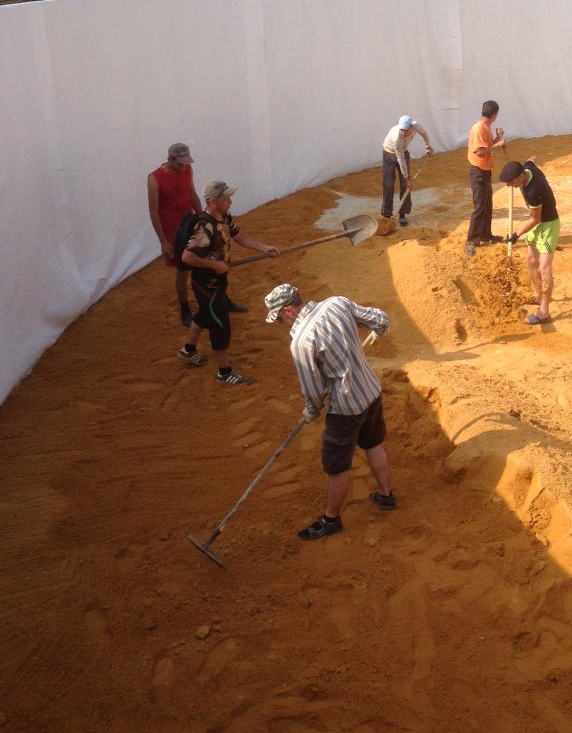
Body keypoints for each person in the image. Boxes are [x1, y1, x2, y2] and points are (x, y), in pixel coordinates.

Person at [264, 283, 395, 541]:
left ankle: (331, 519)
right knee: (373, 444)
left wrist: (311, 411)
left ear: (288, 310)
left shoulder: (302, 341)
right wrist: (379, 332)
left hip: (346, 408)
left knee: (337, 466)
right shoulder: (337, 302)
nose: (281, 324)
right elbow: (381, 319)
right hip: (370, 390)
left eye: (279, 318)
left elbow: (313, 390)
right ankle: (386, 495)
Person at [178, 180, 279, 385]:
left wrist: (263, 248)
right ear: (213, 202)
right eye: (226, 198)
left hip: (216, 282)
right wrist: (214, 265)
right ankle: (224, 372)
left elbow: (239, 235)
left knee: (205, 315)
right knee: (220, 325)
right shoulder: (205, 226)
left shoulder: (223, 216)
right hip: (208, 284)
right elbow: (187, 257)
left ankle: (188, 350)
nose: (230, 201)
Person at [500, 157, 560, 325]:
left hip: (548, 225)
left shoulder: (535, 190)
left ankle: (544, 312)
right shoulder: (527, 167)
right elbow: (531, 159)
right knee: (531, 260)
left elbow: (535, 219)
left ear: (520, 177)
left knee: (544, 268)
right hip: (536, 224)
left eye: (511, 182)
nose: (509, 186)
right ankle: (538, 295)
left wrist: (515, 235)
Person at [148, 143, 202, 326]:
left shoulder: (187, 168)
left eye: (186, 162)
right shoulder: (155, 179)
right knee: (183, 271)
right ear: (170, 159)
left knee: (205, 261)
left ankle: (217, 299)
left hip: (190, 223)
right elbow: (154, 212)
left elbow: (193, 195)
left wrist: (202, 219)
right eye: (180, 163)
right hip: (173, 231)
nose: (184, 166)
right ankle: (184, 307)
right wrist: (163, 241)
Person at [465, 100, 506, 257]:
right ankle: (471, 240)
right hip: (478, 172)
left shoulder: (485, 127)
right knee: (480, 206)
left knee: (487, 204)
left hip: (484, 170)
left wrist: (497, 138)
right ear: (495, 115)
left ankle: (485, 235)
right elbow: (480, 152)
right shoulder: (479, 129)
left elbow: (486, 148)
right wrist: (497, 144)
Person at [381, 115, 434, 226]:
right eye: (401, 129)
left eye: (405, 130)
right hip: (389, 154)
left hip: (403, 152)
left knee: (405, 186)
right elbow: (401, 160)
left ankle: (402, 215)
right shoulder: (397, 138)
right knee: (388, 184)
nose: (403, 133)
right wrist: (407, 177)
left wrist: (428, 146)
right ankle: (386, 215)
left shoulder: (416, 126)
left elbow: (424, 134)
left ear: (411, 126)